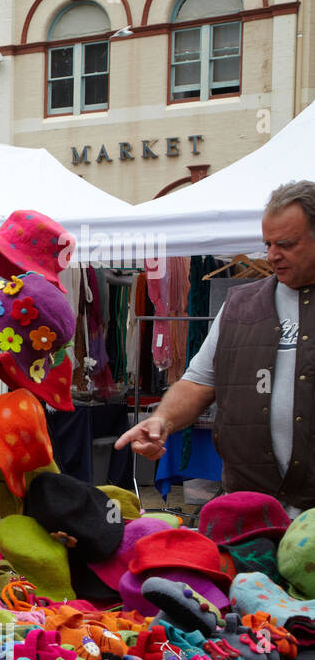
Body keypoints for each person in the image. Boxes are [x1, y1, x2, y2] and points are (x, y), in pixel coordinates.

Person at [117, 180, 315, 514]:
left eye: (285, 244)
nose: (271, 256)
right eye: (267, 243)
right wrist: (162, 420)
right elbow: (197, 382)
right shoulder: (240, 304)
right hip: (250, 513)